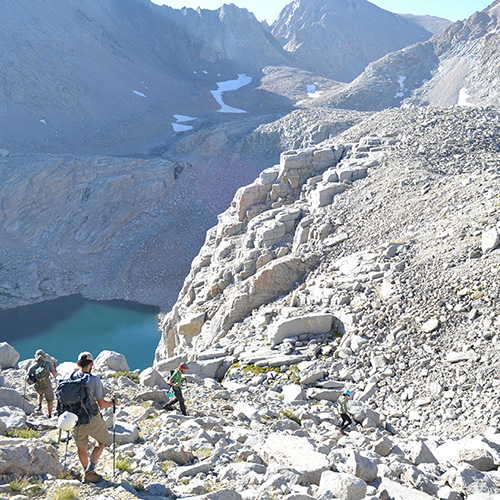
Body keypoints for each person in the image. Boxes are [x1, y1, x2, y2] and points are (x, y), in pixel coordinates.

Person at [72, 351, 117, 483]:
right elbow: (102, 404)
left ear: (78, 364)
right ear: (91, 364)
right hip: (92, 418)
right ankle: (90, 471)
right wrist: (112, 402)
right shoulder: (94, 380)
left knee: (81, 446)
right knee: (102, 441)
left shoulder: (71, 377)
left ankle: (85, 469)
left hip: (75, 419)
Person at [26, 349, 57, 418]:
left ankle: (39, 404)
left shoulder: (33, 366)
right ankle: (49, 415)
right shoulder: (48, 364)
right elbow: (55, 374)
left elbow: (27, 377)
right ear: (43, 356)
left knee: (40, 394)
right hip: (47, 386)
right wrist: (55, 368)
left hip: (38, 386)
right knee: (50, 401)